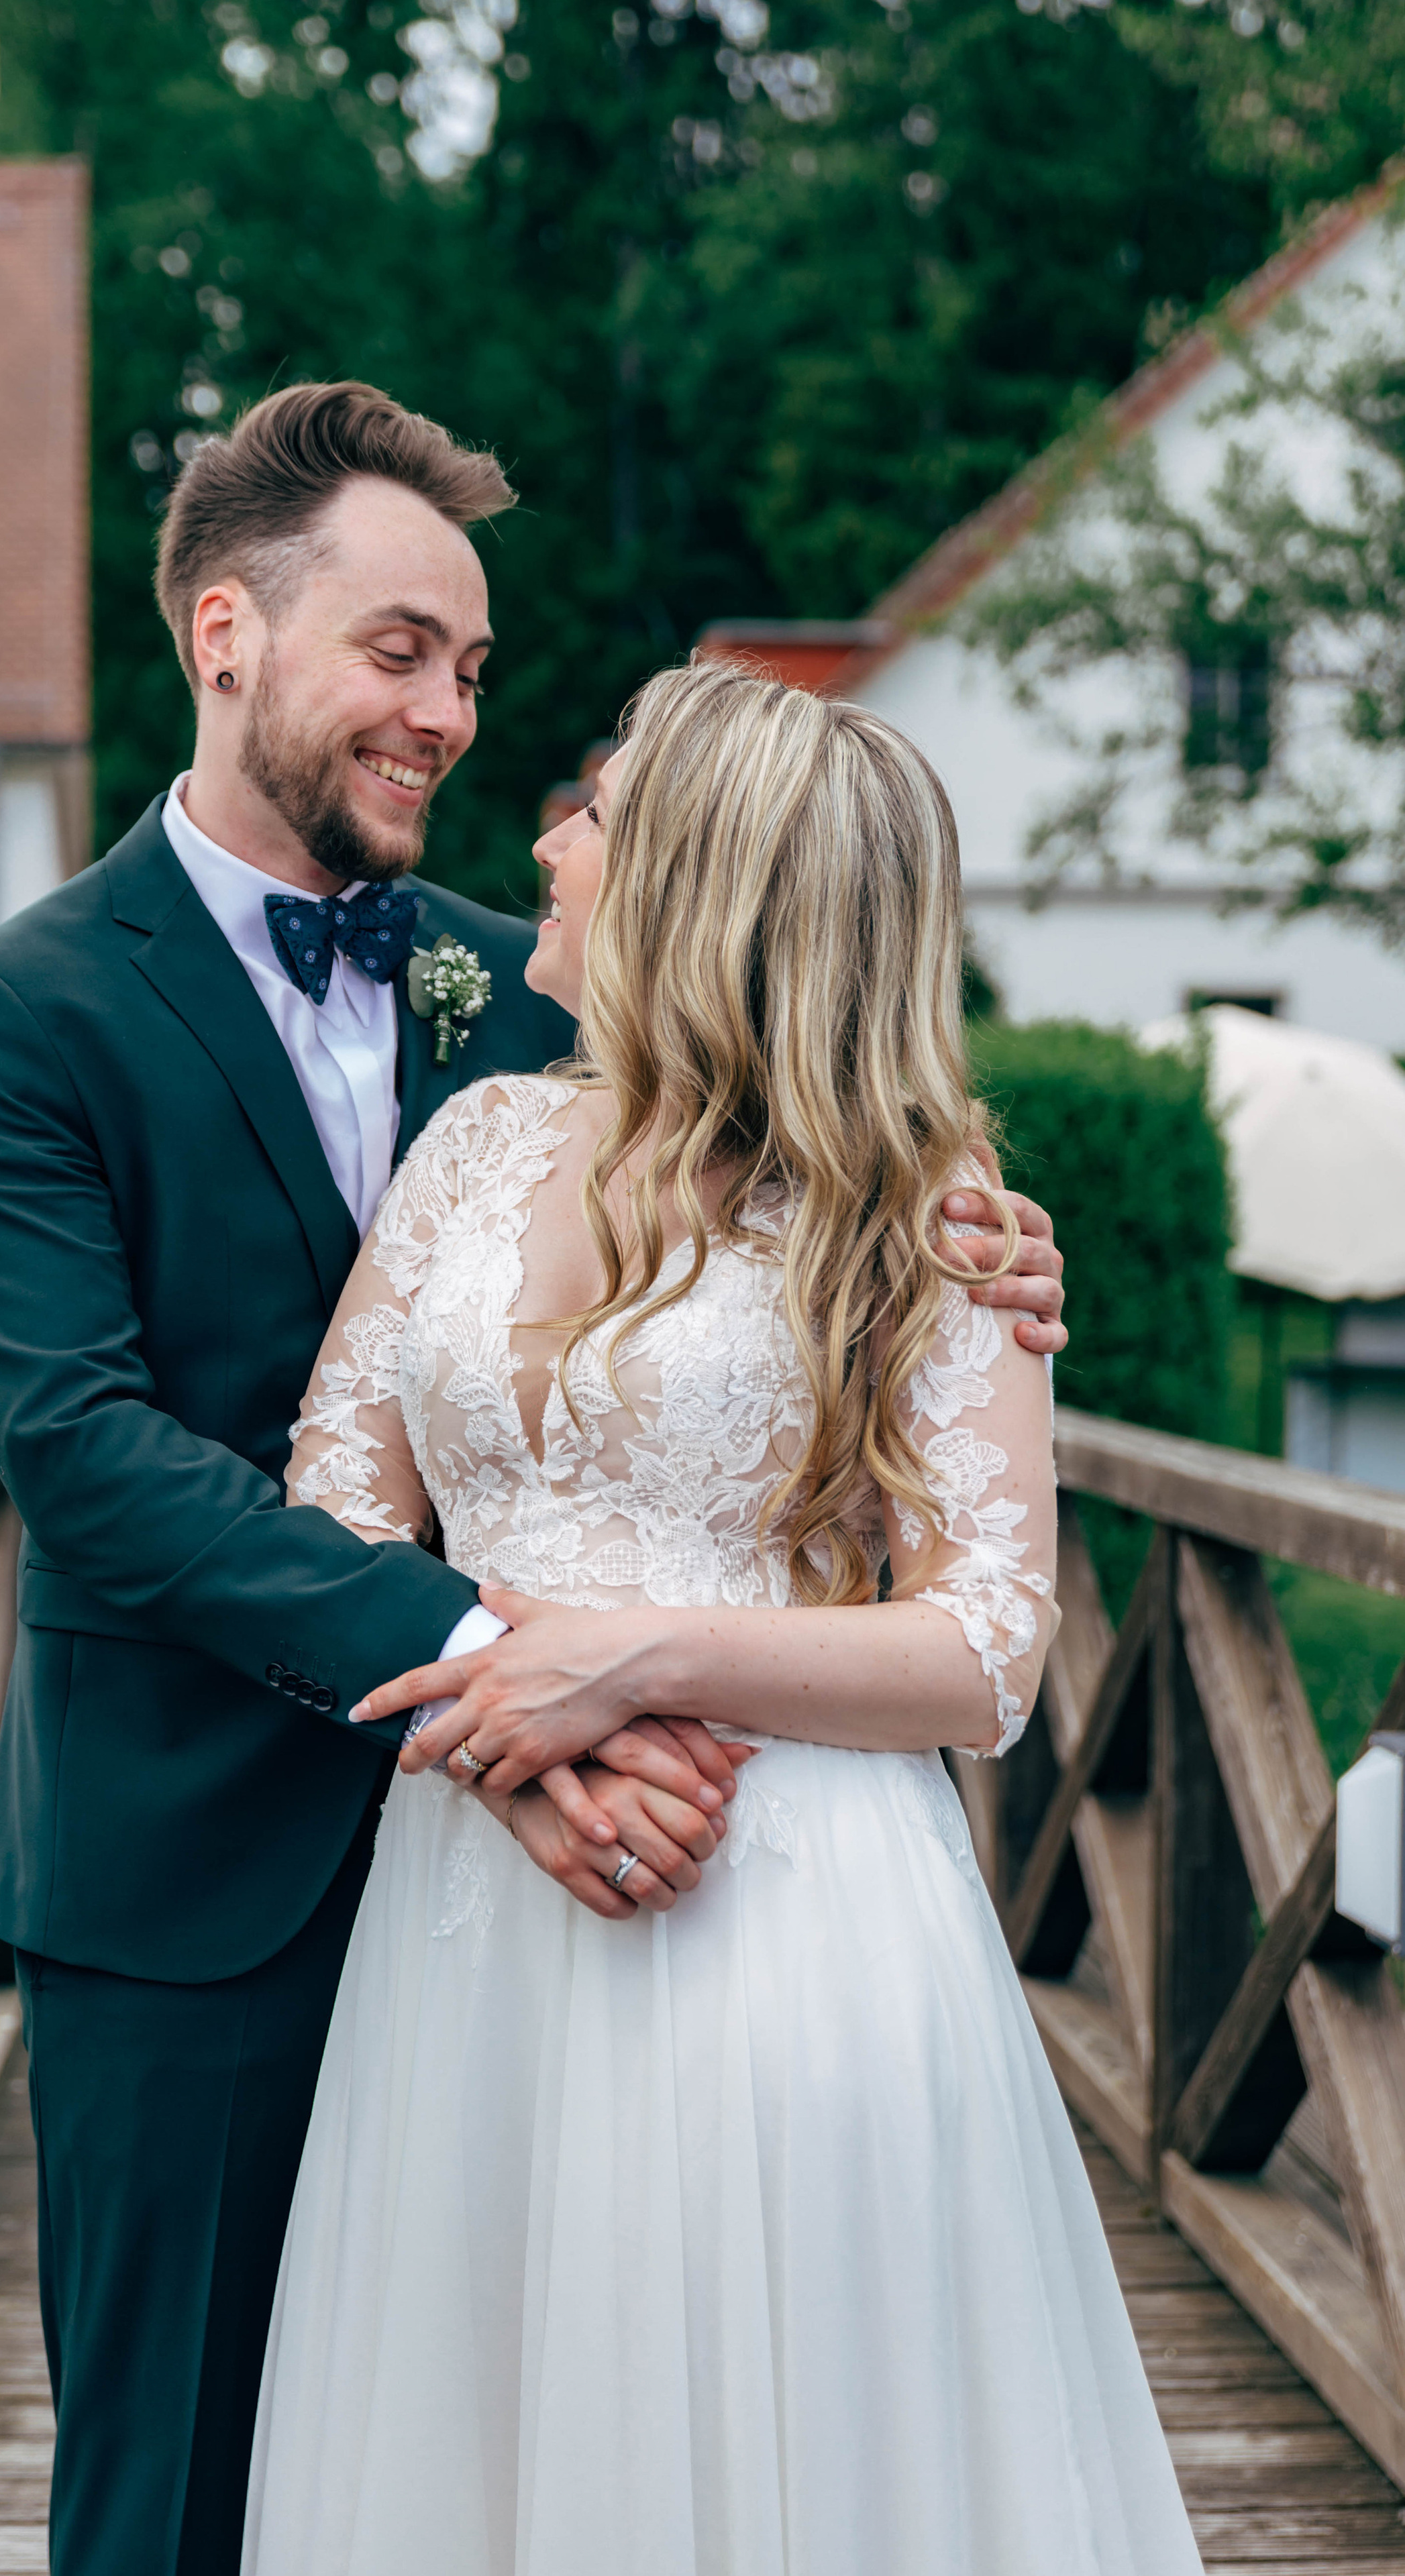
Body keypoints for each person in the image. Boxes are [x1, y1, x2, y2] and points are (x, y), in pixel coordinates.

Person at [0, 382, 1068, 2576]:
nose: (447, 719)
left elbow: (786, 1159)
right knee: (178, 2501)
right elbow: (92, 1457)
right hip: (210, 1881)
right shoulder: (19, 1018)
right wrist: (515, 1689)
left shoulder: (525, 1003)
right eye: (398, 652)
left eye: (473, 669)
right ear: (226, 630)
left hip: (658, 1894)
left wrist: (981, 1255)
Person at [242, 659, 1196, 2575]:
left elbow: (990, 1648)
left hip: (791, 1918)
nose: (542, 842)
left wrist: (644, 1659)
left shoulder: (925, 1208)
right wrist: (528, 1743)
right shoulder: (477, 1149)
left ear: (696, 877)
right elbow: (335, 1510)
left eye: (589, 809)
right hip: (478, 1914)